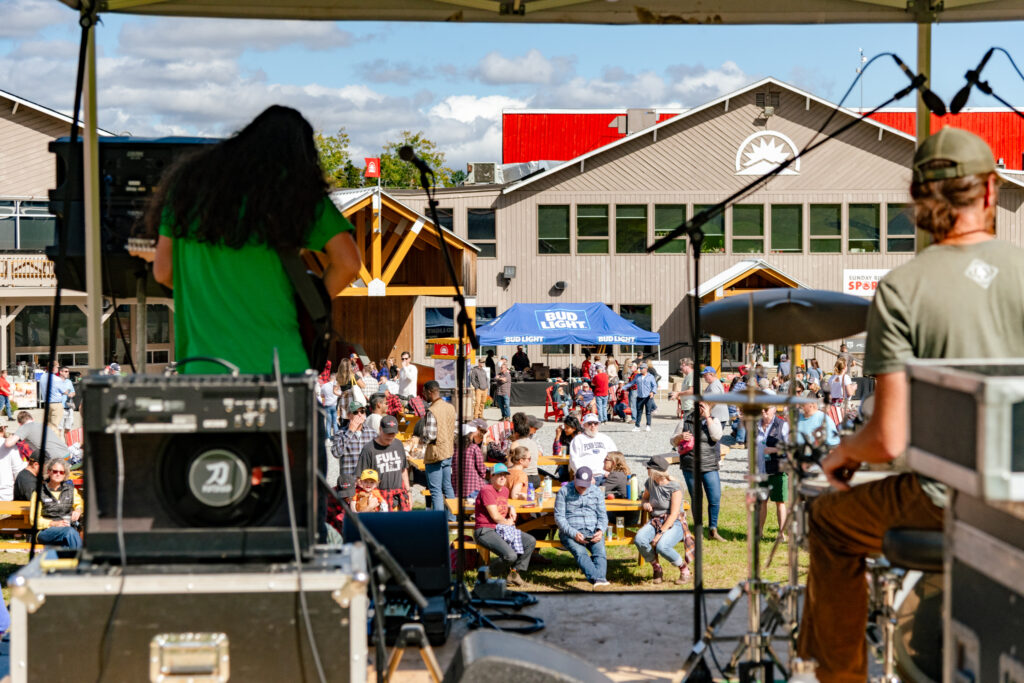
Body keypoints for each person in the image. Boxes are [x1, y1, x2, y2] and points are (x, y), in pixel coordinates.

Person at [797, 128, 1024, 681]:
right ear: (989, 191)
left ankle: (840, 676)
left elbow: (888, 439)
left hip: (948, 502)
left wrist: (843, 454)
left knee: (826, 521)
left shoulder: (902, 288)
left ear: (918, 201)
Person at [148, 105, 361, 375]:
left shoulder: (186, 187)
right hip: (279, 369)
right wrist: (308, 306)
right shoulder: (295, 191)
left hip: (204, 369)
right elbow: (348, 263)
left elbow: (163, 272)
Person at [473, 463, 534, 587]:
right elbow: (495, 516)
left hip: (500, 529)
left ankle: (514, 575)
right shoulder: (486, 490)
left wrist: (511, 507)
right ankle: (485, 575)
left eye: (505, 475)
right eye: (499, 475)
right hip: (485, 530)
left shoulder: (505, 490)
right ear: (491, 476)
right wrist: (508, 522)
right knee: (510, 555)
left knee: (529, 541)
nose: (502, 478)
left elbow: (502, 504)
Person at [635, 455, 693, 585]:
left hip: (675, 522)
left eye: (648, 468)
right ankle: (656, 568)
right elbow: (644, 498)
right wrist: (645, 503)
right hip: (656, 520)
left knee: (662, 546)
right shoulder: (650, 482)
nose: (646, 469)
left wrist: (659, 534)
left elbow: (674, 514)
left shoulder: (674, 487)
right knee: (639, 539)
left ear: (654, 471)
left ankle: (684, 569)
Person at [673, 402, 725, 541]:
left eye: (704, 406)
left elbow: (716, 436)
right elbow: (672, 441)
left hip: (709, 465)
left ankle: (713, 530)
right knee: (696, 499)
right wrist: (679, 437)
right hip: (690, 466)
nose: (700, 408)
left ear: (710, 407)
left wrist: (707, 417)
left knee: (715, 498)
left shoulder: (714, 420)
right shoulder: (685, 421)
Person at [554, 466, 610, 589]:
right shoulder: (564, 491)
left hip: (593, 530)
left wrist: (600, 530)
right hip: (570, 532)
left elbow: (603, 516)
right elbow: (559, 518)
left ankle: (598, 582)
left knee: (600, 552)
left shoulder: (596, 491)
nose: (582, 488)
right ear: (574, 478)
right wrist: (573, 533)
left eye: (585, 486)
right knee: (580, 553)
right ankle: (599, 580)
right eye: (580, 485)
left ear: (591, 481)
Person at [357, 415, 409, 512]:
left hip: (398, 496)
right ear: (380, 429)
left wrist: (408, 492)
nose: (390, 436)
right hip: (378, 498)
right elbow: (359, 478)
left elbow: (403, 470)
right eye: (387, 433)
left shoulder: (398, 445)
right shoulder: (369, 449)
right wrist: (368, 499)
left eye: (393, 433)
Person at [420, 380, 456, 521]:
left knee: (435, 491)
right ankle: (452, 519)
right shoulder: (450, 407)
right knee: (448, 487)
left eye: (424, 392)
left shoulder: (432, 410)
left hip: (435, 454)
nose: (423, 395)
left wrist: (421, 439)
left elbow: (430, 435)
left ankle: (438, 522)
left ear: (430, 392)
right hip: (448, 451)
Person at [28, 459, 83, 549]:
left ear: (65, 474)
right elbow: (33, 520)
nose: (58, 474)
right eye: (55, 471)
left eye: (61, 472)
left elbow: (79, 503)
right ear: (49, 472)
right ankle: (80, 557)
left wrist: (78, 510)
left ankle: (71, 557)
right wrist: (53, 523)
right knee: (70, 533)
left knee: (68, 542)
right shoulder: (39, 492)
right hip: (45, 531)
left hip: (67, 529)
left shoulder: (71, 490)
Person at [755, 406, 789, 539]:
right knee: (761, 501)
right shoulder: (755, 425)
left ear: (774, 409)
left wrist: (774, 450)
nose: (763, 411)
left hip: (778, 470)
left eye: (766, 409)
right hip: (761, 470)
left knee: (780, 502)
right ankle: (759, 532)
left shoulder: (782, 425)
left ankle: (781, 533)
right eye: (761, 409)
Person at [330, 400, 378, 476]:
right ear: (349, 415)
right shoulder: (340, 433)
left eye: (362, 411)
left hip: (367, 479)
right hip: (349, 480)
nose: (359, 414)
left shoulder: (372, 433)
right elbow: (336, 453)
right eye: (355, 412)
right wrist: (350, 432)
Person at [568, 413, 617, 479]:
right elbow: (574, 460)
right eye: (589, 423)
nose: (593, 425)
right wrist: (585, 475)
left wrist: (611, 472)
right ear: (584, 425)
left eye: (595, 423)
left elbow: (615, 456)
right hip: (586, 476)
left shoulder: (605, 438)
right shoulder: (578, 439)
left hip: (606, 475)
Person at [508, 413, 541, 485]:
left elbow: (510, 465)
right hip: (536, 478)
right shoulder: (533, 443)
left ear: (516, 433)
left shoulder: (515, 444)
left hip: (522, 478)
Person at [459, 419, 489, 498]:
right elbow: (482, 470)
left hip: (457, 489)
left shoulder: (455, 448)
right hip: (472, 489)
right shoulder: (474, 448)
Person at [624, 363, 657, 432]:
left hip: (648, 397)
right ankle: (637, 426)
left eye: (642, 368)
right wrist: (624, 387)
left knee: (648, 412)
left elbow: (654, 385)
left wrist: (652, 392)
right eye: (640, 368)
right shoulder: (637, 376)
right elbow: (632, 383)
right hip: (639, 396)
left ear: (646, 369)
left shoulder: (650, 377)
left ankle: (648, 425)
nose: (641, 370)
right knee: (639, 412)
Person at [326, 473, 357, 542]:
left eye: (349, 494)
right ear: (337, 488)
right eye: (344, 496)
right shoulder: (330, 497)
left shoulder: (361, 492)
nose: (347, 498)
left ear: (355, 485)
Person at [0, 426, 25, 501]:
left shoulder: (8, 445)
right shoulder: (10, 446)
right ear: (3, 428)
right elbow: (18, 472)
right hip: (5, 496)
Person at [319, 370, 339, 439]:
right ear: (334, 378)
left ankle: (328, 437)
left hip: (327, 405)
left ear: (330, 378)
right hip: (335, 405)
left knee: (328, 422)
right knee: (335, 422)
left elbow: (322, 395)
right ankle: (336, 437)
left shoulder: (324, 385)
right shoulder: (337, 386)